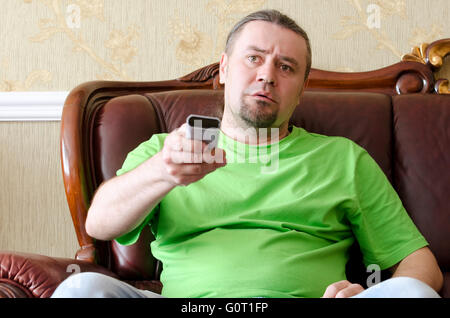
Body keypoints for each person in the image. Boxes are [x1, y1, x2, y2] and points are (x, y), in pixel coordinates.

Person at [52, 9, 443, 298]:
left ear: (302, 87)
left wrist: (362, 293)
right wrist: (162, 173)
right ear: (223, 68)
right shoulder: (166, 150)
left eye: (286, 67)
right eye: (253, 58)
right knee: (81, 288)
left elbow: (422, 268)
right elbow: (99, 225)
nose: (267, 75)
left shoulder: (344, 159)